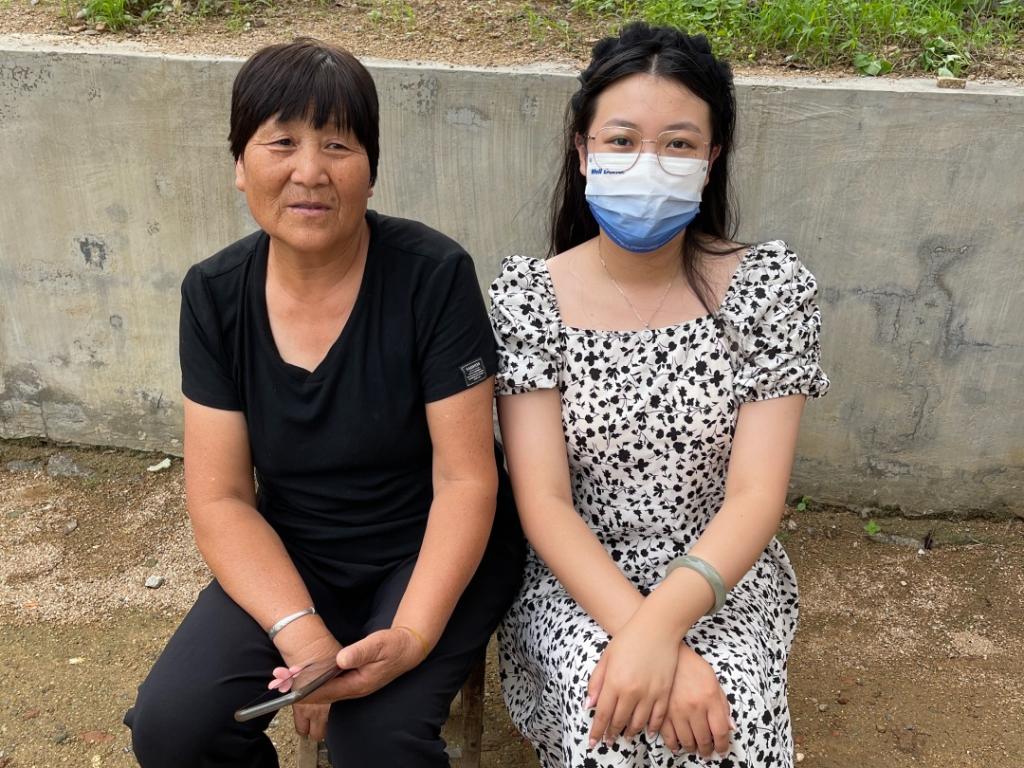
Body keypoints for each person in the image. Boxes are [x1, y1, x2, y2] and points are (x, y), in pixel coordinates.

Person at [124, 38, 523, 768]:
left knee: (373, 741)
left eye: (337, 144)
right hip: (301, 547)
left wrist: (411, 636)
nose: (310, 171)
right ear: (240, 165)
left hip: (431, 541)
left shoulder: (432, 276)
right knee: (175, 728)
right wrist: (301, 632)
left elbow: (466, 479)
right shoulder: (214, 295)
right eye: (281, 142)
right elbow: (220, 498)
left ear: (371, 169)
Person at [490, 23, 829, 768]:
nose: (648, 162)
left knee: (725, 705)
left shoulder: (768, 290)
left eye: (678, 143)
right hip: (577, 576)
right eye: (621, 140)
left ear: (712, 158)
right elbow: (543, 500)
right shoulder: (529, 298)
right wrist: (635, 632)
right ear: (583, 151)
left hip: (720, 571)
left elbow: (755, 495)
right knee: (610, 708)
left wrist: (662, 627)